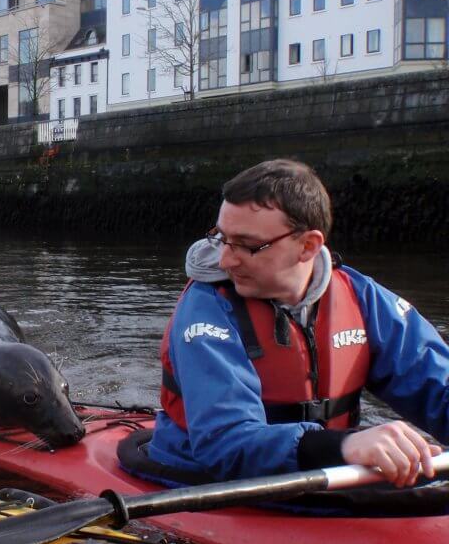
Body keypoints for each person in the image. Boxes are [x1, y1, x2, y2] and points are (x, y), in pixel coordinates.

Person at [148, 159, 448, 486]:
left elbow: (436, 383)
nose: (225, 259)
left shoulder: (362, 298)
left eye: (247, 246)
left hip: (328, 468)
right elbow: (226, 442)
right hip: (207, 476)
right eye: (221, 238)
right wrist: (346, 445)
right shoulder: (207, 308)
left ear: (307, 246)